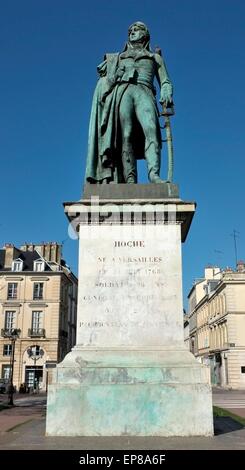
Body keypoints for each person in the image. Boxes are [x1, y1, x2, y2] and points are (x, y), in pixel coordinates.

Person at [85, 21, 173, 184]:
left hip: (144, 91)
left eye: (137, 30)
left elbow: (165, 80)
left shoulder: (155, 57)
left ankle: (153, 175)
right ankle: (129, 178)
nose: (132, 32)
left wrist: (166, 91)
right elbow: (105, 79)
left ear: (145, 35)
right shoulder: (119, 57)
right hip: (123, 92)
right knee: (126, 135)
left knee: (151, 129)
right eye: (130, 30)